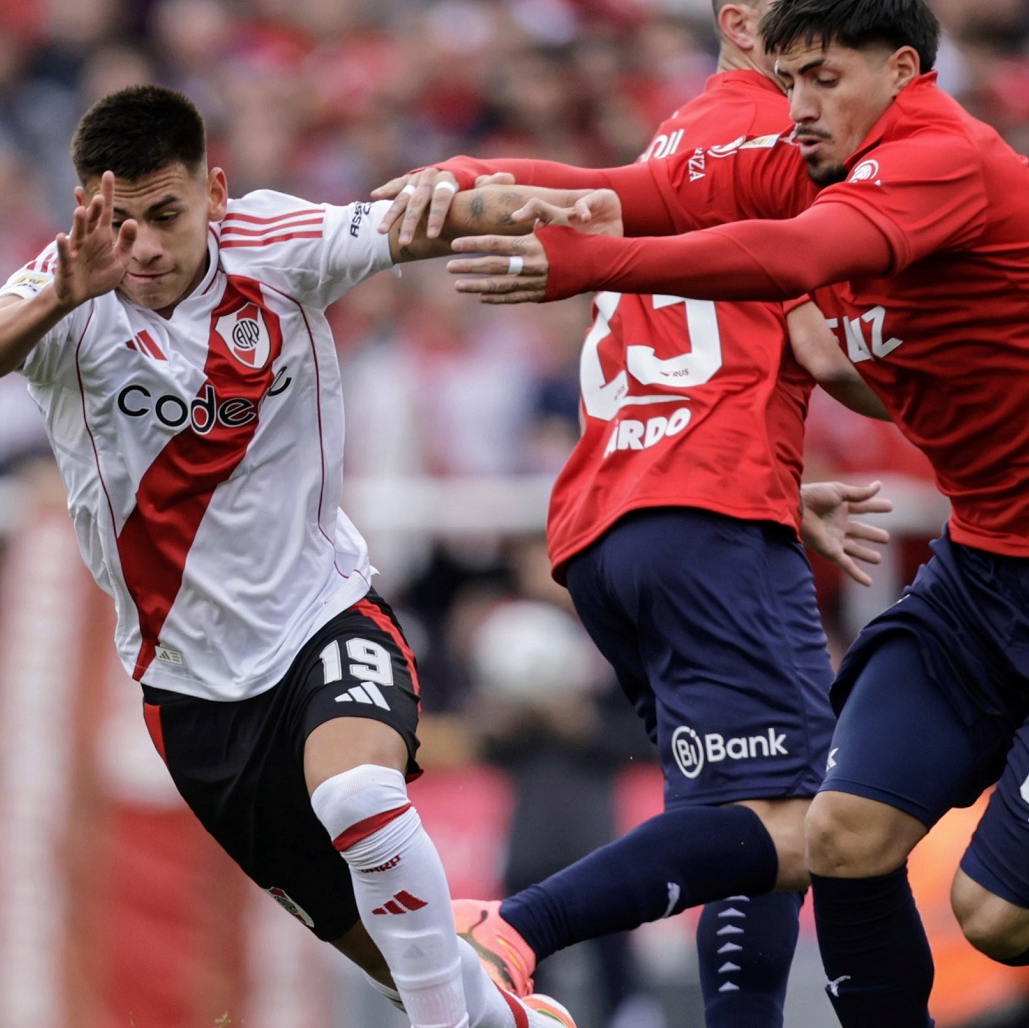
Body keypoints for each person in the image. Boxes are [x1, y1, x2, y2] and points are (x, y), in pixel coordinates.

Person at [443, 1, 1029, 1025]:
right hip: (985, 570)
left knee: (997, 916)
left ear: (902, 68)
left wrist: (583, 264)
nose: (799, 106)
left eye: (822, 79)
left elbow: (789, 260)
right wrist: (452, 188)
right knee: (839, 831)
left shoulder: (940, 156)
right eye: (790, 79)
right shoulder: (804, 153)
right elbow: (632, 192)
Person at [0, 82, 602, 1028]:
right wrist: (62, 291)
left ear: (215, 190)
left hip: (323, 614)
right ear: (89, 209)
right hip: (193, 691)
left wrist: (606, 203)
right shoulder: (65, 290)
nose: (149, 248)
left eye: (168, 215)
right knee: (392, 949)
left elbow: (426, 222)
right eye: (123, 224)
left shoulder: (277, 246)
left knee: (360, 792)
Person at [372, 3, 892, 1024]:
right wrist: (977, 399)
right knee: (807, 821)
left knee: (738, 822)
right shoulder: (785, 148)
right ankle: (514, 924)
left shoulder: (675, 147)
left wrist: (778, 484)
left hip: (616, 530)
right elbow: (831, 353)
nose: (834, 65)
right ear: (744, 24)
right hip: (711, 522)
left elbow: (687, 342)